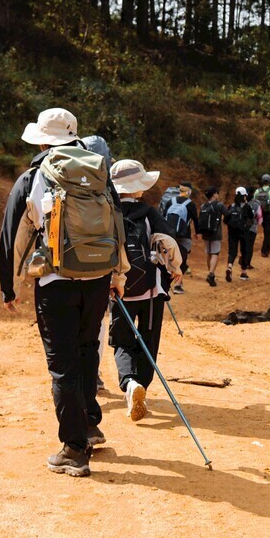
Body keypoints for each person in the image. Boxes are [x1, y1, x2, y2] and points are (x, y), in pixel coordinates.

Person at [0, 107, 128, 478]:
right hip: (98, 278)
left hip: (56, 282)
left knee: (63, 363)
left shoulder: (34, 176)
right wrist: (118, 275)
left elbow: (14, 234)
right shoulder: (100, 172)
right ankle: (89, 425)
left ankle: (73, 449)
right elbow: (117, 225)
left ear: (42, 139)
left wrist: (9, 285)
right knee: (88, 351)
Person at [108, 160, 184, 422]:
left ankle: (129, 384)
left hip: (118, 290)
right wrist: (175, 267)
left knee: (121, 340)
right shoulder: (150, 213)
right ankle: (142, 384)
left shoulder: (108, 212)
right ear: (139, 188)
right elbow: (168, 242)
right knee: (149, 341)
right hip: (151, 292)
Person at [162, 182, 198, 294]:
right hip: (184, 235)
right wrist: (198, 232)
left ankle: (164, 283)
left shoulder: (170, 201)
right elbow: (195, 220)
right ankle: (178, 285)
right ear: (189, 191)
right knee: (182, 259)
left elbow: (163, 216)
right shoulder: (190, 204)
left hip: (170, 234)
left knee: (168, 258)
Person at [225, 187, 256, 282]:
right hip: (244, 232)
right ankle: (243, 272)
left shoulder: (231, 206)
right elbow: (252, 218)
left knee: (232, 251)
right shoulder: (247, 207)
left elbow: (226, 219)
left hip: (232, 232)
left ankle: (229, 267)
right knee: (244, 251)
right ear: (244, 196)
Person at [198, 187, 227, 286]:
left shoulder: (203, 206)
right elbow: (227, 215)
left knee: (209, 253)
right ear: (214, 194)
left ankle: (210, 272)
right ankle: (211, 274)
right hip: (215, 233)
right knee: (215, 253)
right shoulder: (219, 205)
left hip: (205, 233)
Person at [244, 186, 264, 270]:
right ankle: (247, 263)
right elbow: (260, 218)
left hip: (243, 228)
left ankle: (243, 261)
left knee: (244, 245)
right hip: (252, 228)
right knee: (250, 246)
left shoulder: (243, 203)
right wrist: (257, 223)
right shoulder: (256, 204)